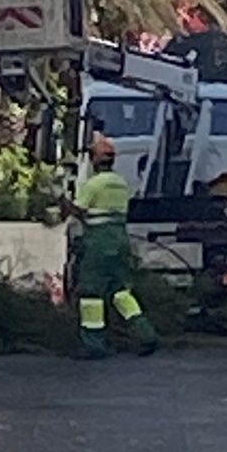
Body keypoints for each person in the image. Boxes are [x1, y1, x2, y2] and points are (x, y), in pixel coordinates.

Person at [60, 135, 158, 359]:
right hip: (119, 241)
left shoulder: (93, 184)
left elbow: (79, 211)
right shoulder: (121, 183)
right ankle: (146, 334)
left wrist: (62, 201)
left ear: (95, 159)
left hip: (99, 244)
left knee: (91, 294)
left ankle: (94, 344)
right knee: (121, 292)